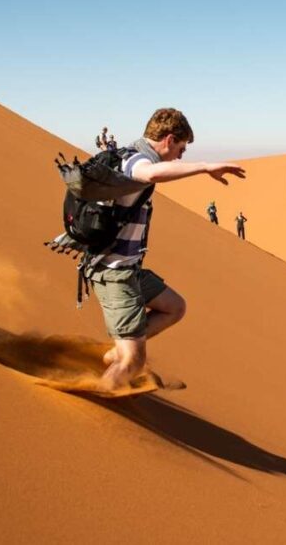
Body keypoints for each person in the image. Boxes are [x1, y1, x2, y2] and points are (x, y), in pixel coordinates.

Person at [87, 108, 245, 390]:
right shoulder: (135, 160)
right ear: (169, 139)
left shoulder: (133, 156)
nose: (181, 156)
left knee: (174, 307)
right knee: (133, 363)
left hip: (129, 268)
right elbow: (150, 174)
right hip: (113, 271)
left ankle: (117, 352)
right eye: (181, 149)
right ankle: (101, 402)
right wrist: (204, 167)